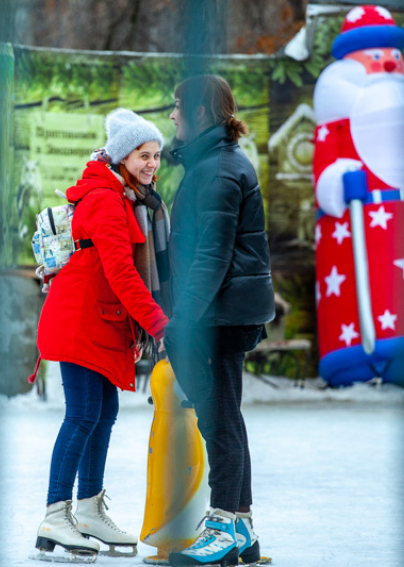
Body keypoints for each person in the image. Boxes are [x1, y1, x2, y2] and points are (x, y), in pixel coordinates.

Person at [33, 108, 170, 560]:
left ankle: (89, 509)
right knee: (83, 414)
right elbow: (121, 273)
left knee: (103, 410)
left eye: (156, 155)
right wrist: (158, 323)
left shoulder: (119, 192)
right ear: (121, 155)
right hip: (80, 319)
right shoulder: (106, 199)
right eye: (142, 155)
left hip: (96, 319)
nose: (151, 164)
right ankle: (56, 514)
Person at [163, 75, 275, 567]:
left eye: (178, 108)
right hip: (223, 310)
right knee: (224, 416)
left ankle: (224, 522)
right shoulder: (215, 163)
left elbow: (210, 254)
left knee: (219, 419)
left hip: (216, 315)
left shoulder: (219, 170)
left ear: (203, 113)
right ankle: (242, 528)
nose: (172, 117)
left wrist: (183, 320)